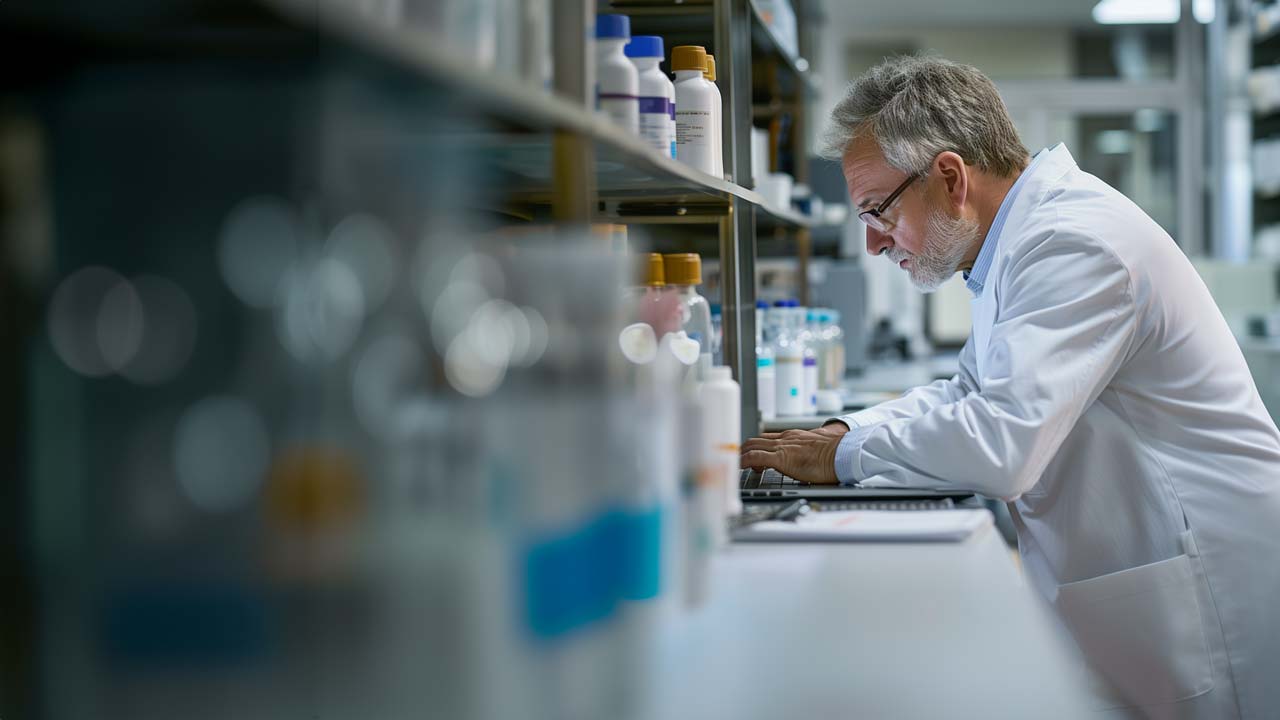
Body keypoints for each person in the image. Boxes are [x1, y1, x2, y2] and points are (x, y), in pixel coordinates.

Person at [742, 55, 1280, 719]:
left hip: (1211, 585)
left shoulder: (1074, 243)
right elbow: (963, 391)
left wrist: (837, 459)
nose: (876, 245)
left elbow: (1001, 441)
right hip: (1148, 576)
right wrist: (844, 431)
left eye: (878, 211)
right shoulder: (1018, 245)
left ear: (949, 177)